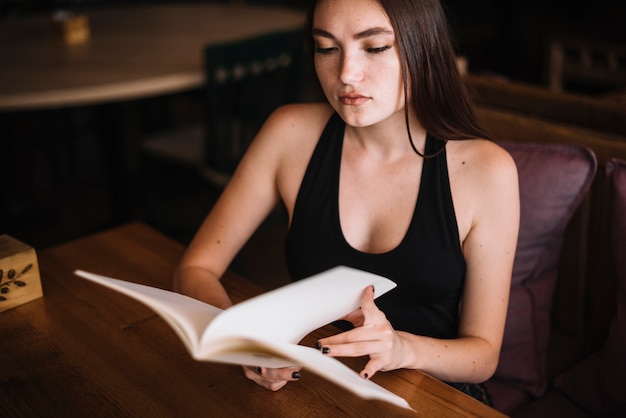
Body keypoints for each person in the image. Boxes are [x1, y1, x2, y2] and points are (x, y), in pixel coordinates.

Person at [173, 0, 519, 405]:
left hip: (431, 398)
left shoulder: (486, 171)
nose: (346, 75)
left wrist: (401, 349)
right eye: (326, 48)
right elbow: (195, 267)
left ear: (423, 46)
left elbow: (483, 354)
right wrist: (241, 342)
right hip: (315, 391)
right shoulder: (289, 134)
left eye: (374, 48)